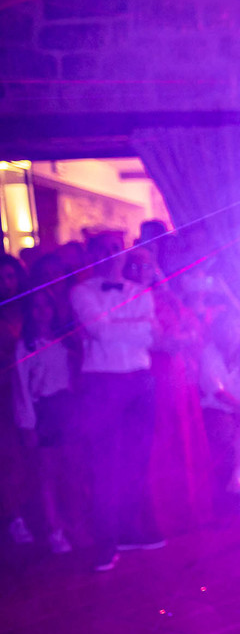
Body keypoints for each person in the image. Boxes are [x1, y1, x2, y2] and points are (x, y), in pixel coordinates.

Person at [70, 232, 163, 571]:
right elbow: (100, 331)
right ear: (93, 256)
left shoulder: (142, 292)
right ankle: (105, 542)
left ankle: (128, 530)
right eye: (104, 250)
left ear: (124, 255)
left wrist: (118, 326)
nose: (111, 255)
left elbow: (148, 336)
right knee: (105, 463)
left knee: (136, 460)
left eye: (116, 249)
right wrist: (135, 326)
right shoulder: (81, 292)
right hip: (103, 382)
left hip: (140, 380)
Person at [125, 245, 212, 532]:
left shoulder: (167, 297)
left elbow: (193, 329)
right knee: (159, 441)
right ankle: (163, 513)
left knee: (184, 438)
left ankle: (190, 508)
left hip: (178, 374)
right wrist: (171, 341)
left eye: (147, 266)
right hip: (150, 375)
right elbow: (153, 340)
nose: (142, 272)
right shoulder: (128, 299)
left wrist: (181, 338)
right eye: (135, 266)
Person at [12, 288, 75, 553]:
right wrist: (28, 425)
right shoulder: (26, 346)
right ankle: (54, 529)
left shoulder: (64, 339)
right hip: (45, 410)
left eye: (46, 305)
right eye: (36, 307)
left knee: (70, 469)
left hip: (68, 407)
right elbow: (21, 389)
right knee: (47, 472)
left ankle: (72, 523)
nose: (42, 312)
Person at [199, 309, 240, 516]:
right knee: (232, 428)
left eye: (238, 326)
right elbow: (216, 390)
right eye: (228, 327)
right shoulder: (209, 353)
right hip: (216, 409)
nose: (233, 332)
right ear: (219, 330)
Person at [0, 254, 35, 546]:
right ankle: (15, 517)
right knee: (10, 457)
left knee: (35, 456)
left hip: (35, 391)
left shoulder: (31, 311)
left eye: (10, 277)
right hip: (5, 394)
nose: (5, 284)